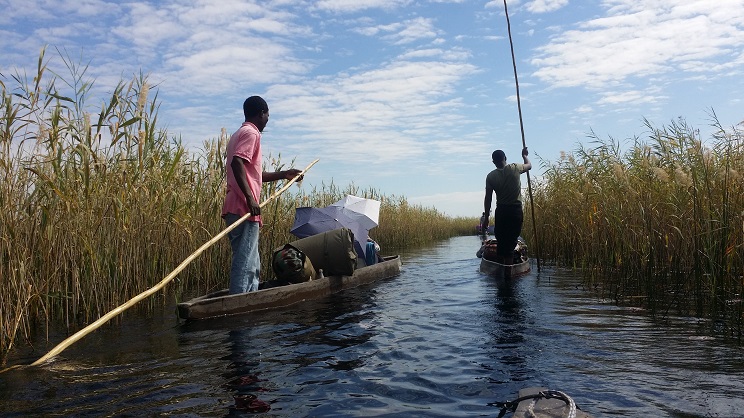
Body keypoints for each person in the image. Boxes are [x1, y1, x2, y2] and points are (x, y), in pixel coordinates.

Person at [222, 96, 303, 294]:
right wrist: (250, 198)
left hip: (235, 206)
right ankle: (239, 304)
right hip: (244, 208)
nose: (268, 119)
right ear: (261, 113)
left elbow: (252, 173)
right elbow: (237, 163)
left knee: (251, 260)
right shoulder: (252, 133)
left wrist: (284, 174)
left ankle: (250, 297)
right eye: (267, 115)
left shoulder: (238, 134)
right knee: (246, 262)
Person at [481, 147, 532, 264]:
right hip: (515, 211)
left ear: (494, 162)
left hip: (502, 211)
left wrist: (487, 219)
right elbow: (529, 165)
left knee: (502, 240)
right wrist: (524, 155)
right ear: (505, 158)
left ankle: (504, 266)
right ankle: (508, 270)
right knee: (511, 240)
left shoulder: (490, 176)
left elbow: (488, 198)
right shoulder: (515, 168)